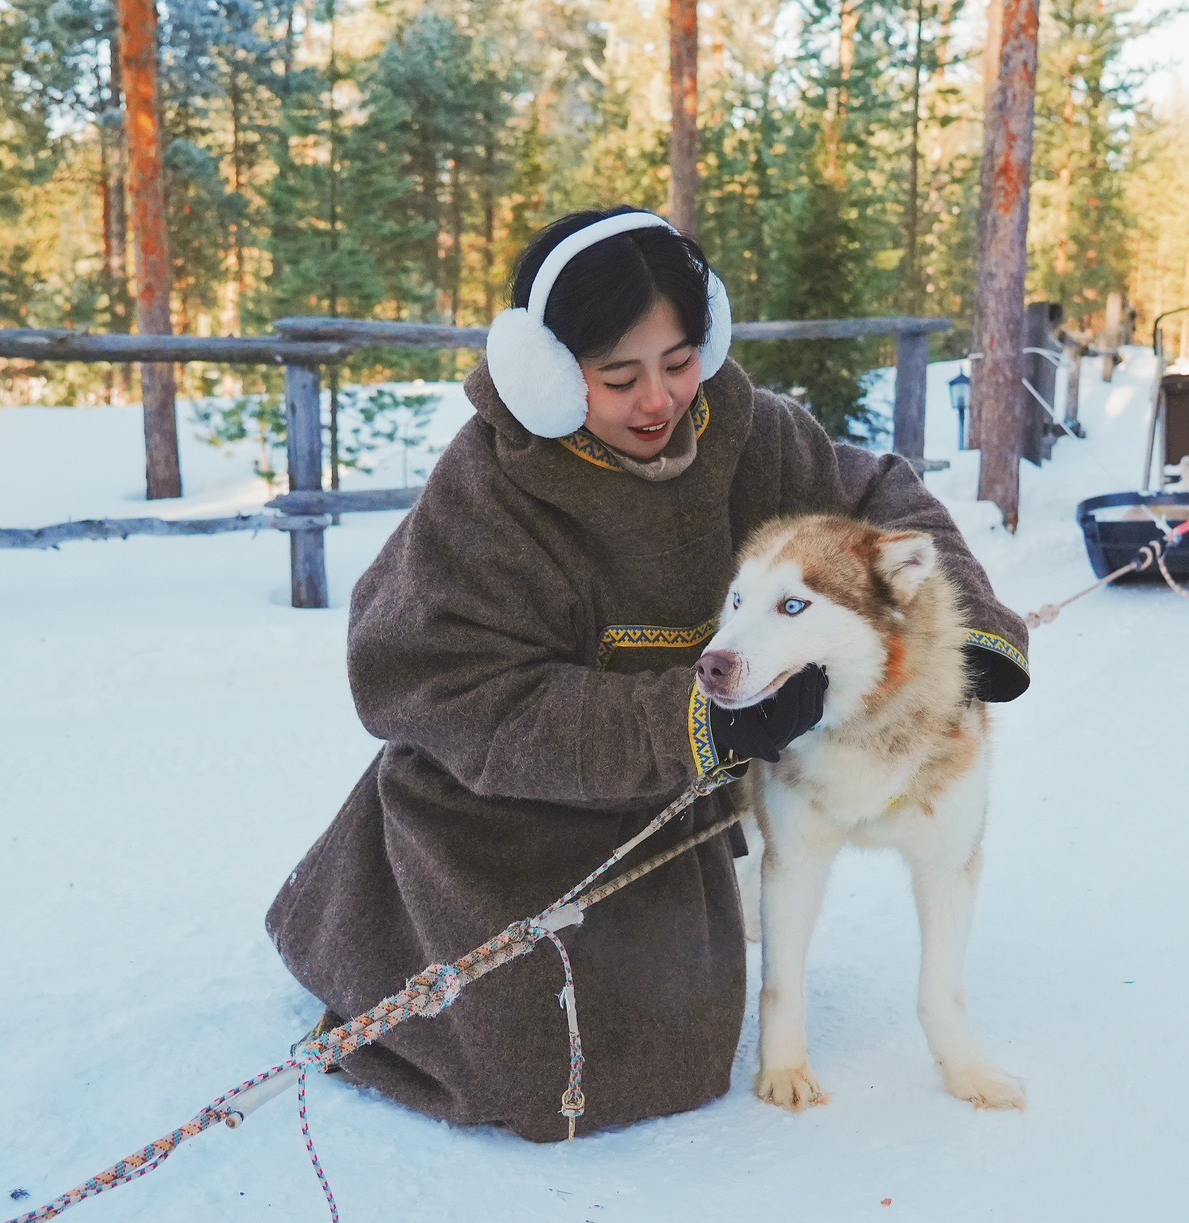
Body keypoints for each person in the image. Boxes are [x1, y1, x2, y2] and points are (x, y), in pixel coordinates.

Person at [265, 207, 1031, 1142]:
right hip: (499, 815)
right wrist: (696, 722)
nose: (659, 400)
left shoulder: (751, 433)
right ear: (547, 374)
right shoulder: (487, 491)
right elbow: (446, 686)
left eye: (676, 361)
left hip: (660, 809)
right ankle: (365, 956)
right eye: (617, 376)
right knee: (534, 1070)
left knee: (679, 1054)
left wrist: (969, 628)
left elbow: (878, 500)